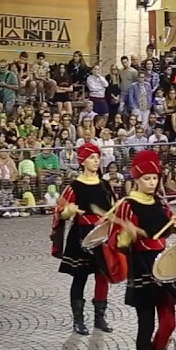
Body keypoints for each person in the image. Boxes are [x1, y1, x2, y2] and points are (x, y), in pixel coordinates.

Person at [108, 150, 176, 350]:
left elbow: (165, 231)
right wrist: (127, 234)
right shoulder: (127, 205)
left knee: (169, 323)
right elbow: (117, 243)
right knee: (146, 325)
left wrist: (172, 226)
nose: (152, 182)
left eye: (155, 178)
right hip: (142, 268)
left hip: (164, 266)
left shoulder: (159, 201)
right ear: (137, 179)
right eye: (147, 178)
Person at [51, 142, 117, 335]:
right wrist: (67, 212)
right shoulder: (75, 187)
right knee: (80, 277)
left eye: (97, 157)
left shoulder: (104, 184)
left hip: (102, 234)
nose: (96, 161)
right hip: (82, 234)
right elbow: (60, 211)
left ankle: (99, 318)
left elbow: (112, 206)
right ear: (82, 161)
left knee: (102, 276)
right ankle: (78, 321)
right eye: (92, 157)